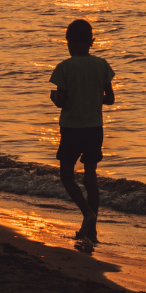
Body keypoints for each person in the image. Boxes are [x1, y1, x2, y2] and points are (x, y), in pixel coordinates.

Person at [49, 19, 115, 243]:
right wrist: (94, 97)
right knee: (90, 178)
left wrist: (53, 98)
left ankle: (87, 214)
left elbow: (62, 102)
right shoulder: (102, 65)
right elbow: (111, 99)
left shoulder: (65, 67)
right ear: (91, 42)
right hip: (95, 129)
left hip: (72, 128)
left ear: (69, 42)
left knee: (67, 176)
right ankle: (92, 231)